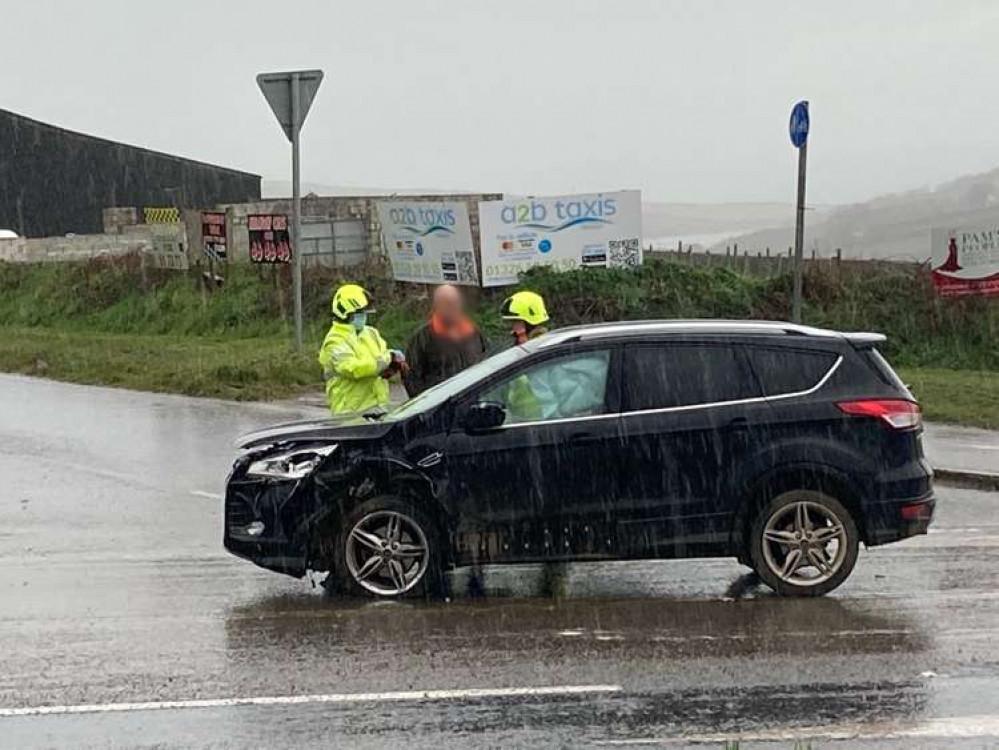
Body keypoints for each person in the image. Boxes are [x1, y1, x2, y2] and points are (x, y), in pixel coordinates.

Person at [318, 284, 405, 415]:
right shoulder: (335, 340)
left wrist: (391, 367)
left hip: (378, 408)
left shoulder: (371, 333)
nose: (364, 316)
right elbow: (352, 369)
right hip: (350, 412)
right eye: (360, 313)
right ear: (346, 313)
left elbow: (381, 358)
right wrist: (388, 360)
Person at [403, 284, 488, 397]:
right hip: (441, 405)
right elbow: (412, 377)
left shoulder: (473, 333)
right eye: (447, 303)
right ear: (437, 305)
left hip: (472, 401)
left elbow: (487, 363)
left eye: (455, 302)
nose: (452, 307)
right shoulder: (422, 338)